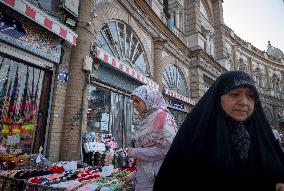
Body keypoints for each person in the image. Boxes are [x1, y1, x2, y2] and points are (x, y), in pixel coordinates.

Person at [153, 71, 284, 191]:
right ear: (218, 97)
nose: (244, 102)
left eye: (250, 96)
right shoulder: (197, 137)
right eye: (234, 94)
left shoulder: (261, 136)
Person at [122, 85, 177, 191]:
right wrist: (132, 176)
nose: (135, 105)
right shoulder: (145, 119)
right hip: (145, 180)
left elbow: (166, 150)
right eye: (133, 102)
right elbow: (146, 162)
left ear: (149, 99)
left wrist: (135, 152)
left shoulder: (160, 117)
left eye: (137, 101)